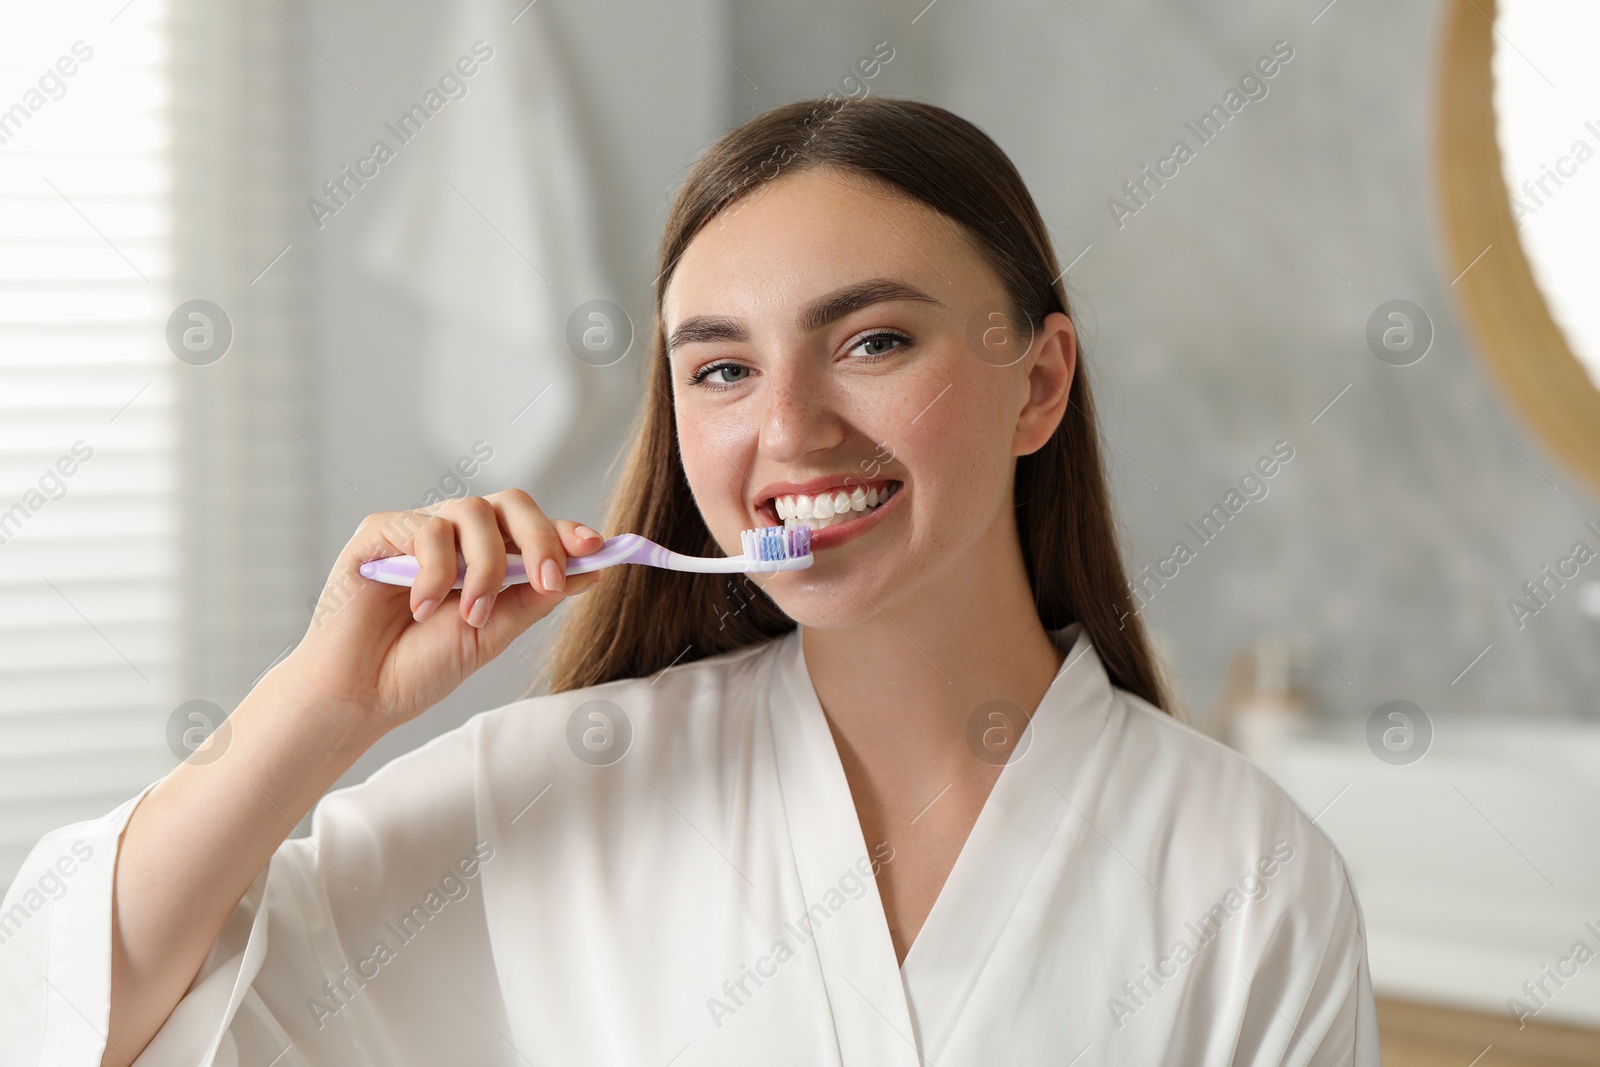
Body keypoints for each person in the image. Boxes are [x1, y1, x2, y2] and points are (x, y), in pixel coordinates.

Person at [0, 96, 1380, 1066]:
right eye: (721, 368)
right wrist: (319, 709)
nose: (789, 428)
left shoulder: (1248, 879)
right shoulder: (557, 790)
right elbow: (71, 1024)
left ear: (1041, 382)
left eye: (875, 342)